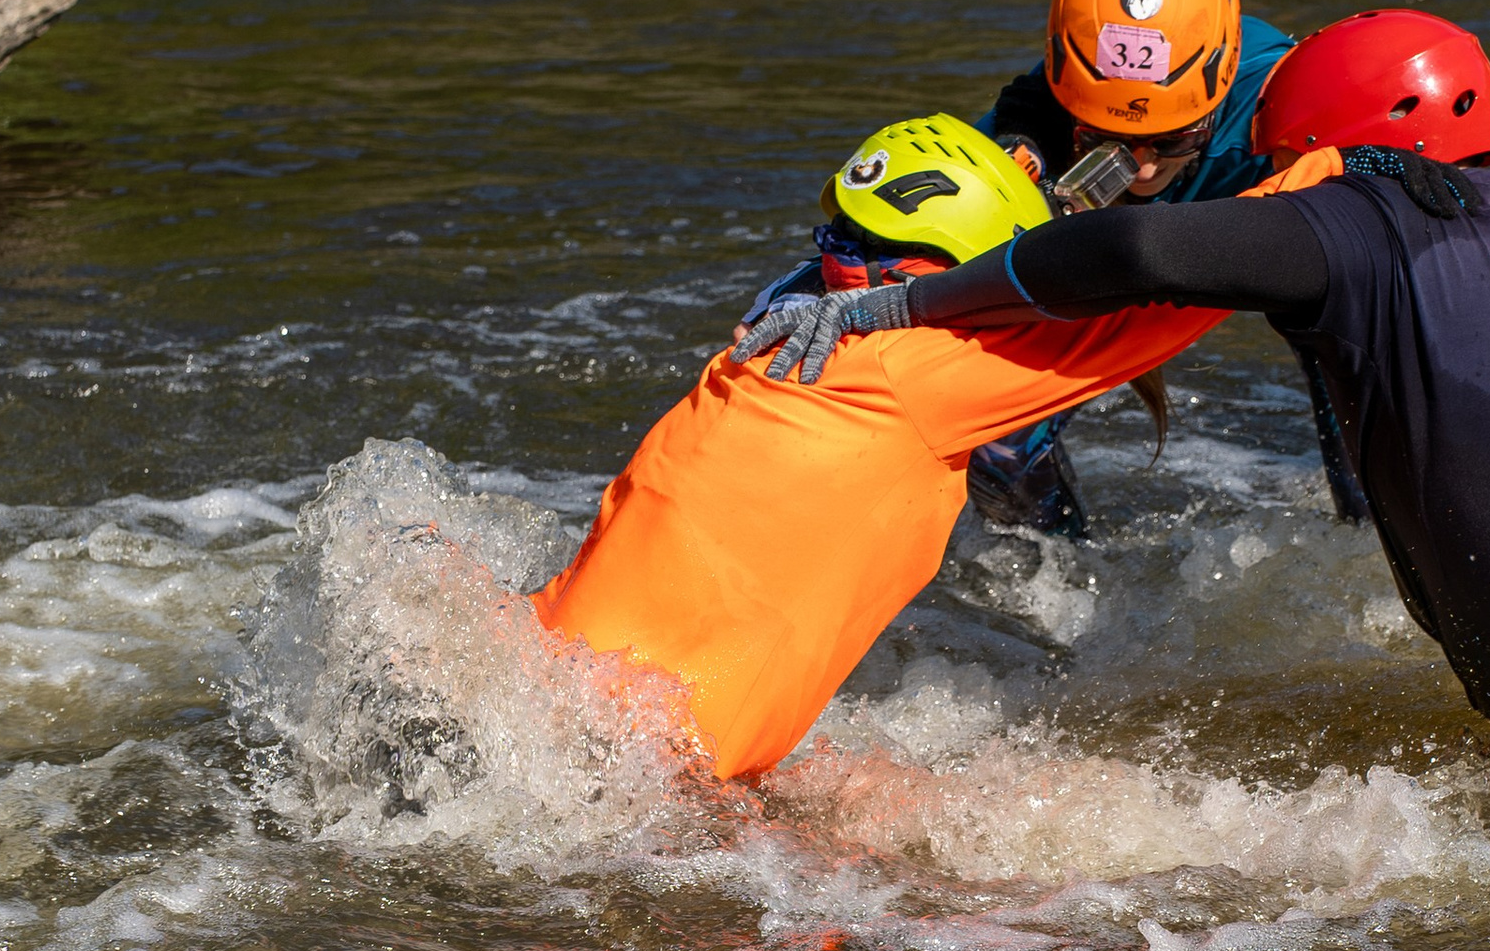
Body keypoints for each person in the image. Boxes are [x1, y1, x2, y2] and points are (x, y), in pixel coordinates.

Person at [741, 13, 1490, 843]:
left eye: (1288, 170)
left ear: (1324, 154)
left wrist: (896, 300)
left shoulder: (1358, 218)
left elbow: (1136, 249)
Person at [533, 113, 1250, 780]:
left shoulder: (776, 327)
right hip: (654, 778)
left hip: (537, 685)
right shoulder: (926, 370)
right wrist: (1347, 169)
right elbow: (1189, 278)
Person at [977, 0, 1368, 529]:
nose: (1145, 169)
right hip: (1108, 251)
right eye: (1106, 141)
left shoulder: (1292, 103)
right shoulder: (1028, 134)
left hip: (1271, 237)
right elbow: (892, 246)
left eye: (1175, 139)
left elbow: (1426, 203)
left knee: (1369, 424)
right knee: (998, 447)